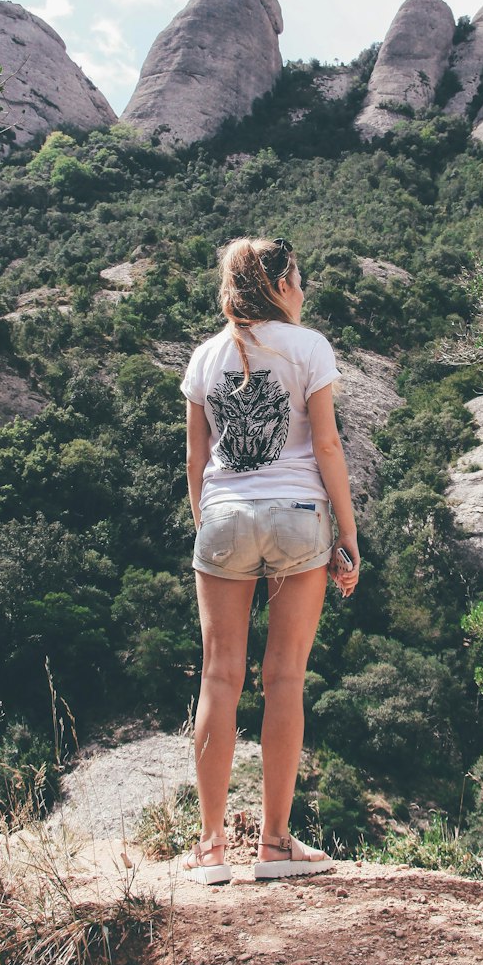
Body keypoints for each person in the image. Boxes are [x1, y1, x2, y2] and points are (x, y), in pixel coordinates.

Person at [179, 236, 360, 884]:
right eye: (300, 279)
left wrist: (212, 527)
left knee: (218, 677)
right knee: (283, 677)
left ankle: (210, 847)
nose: (304, 290)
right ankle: (277, 845)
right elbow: (330, 444)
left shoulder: (205, 357)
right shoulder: (307, 346)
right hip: (298, 518)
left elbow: (196, 460)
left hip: (225, 518)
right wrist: (348, 532)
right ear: (280, 285)